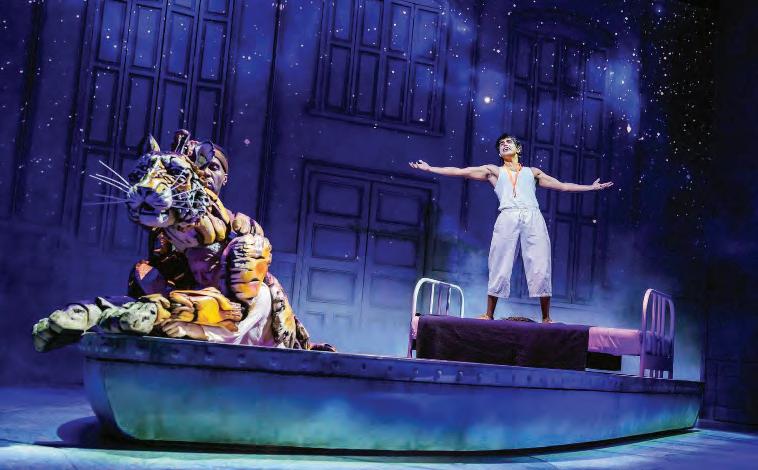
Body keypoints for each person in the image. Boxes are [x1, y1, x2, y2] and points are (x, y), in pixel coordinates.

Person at [409, 133, 613, 323]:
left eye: (508, 142)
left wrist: (591, 187)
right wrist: (430, 169)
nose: (505, 145)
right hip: (508, 215)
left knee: (540, 263)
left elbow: (563, 186)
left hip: (532, 216)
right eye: (501, 144)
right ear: (499, 153)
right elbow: (462, 172)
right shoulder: (494, 171)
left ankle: (546, 318)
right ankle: (489, 314)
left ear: (518, 148)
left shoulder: (532, 172)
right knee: (499, 261)